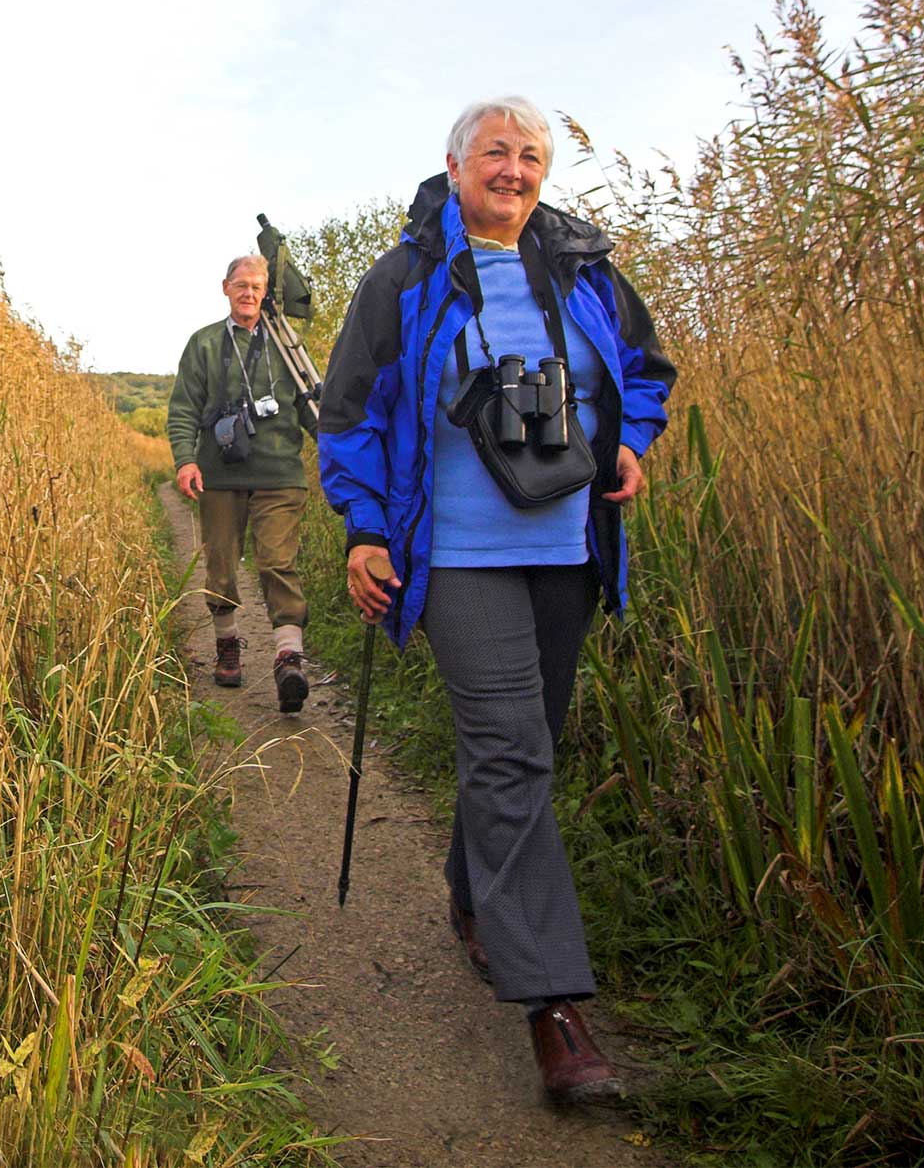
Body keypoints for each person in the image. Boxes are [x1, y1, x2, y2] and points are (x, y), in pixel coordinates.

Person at [316, 95, 676, 1105]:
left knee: (532, 742)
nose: (512, 169)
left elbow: (643, 374)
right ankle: (554, 1008)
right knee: (510, 747)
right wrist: (364, 526)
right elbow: (348, 412)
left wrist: (632, 444)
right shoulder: (406, 276)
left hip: (564, 549)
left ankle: (475, 896)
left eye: (528, 155)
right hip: (459, 556)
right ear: (452, 163)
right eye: (493, 153)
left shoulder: (586, 267)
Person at [167, 252, 313, 711]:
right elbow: (184, 408)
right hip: (222, 474)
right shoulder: (205, 343)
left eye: (257, 286)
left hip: (280, 474)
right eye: (241, 285)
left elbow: (314, 406)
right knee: (222, 565)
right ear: (225, 288)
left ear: (267, 292)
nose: (248, 293)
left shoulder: (287, 347)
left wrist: (344, 456)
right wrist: (187, 461)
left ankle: (289, 659)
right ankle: (228, 646)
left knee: (276, 563)